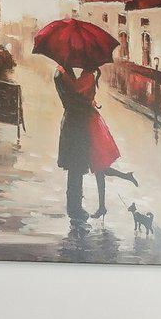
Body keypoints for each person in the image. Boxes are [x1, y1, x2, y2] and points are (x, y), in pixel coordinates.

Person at [55, 66, 105, 220]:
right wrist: (88, 102)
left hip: (74, 124)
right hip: (76, 126)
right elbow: (73, 101)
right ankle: (75, 208)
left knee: (75, 168)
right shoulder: (63, 75)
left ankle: (74, 206)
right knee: (76, 167)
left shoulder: (63, 73)